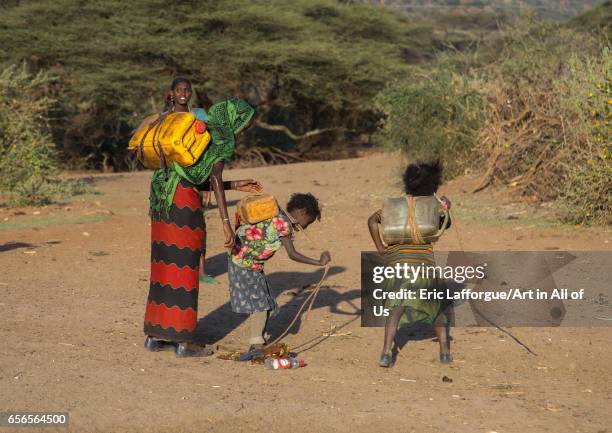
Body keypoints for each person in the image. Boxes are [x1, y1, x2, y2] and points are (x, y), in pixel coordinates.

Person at [144, 77, 261, 357]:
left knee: (163, 267)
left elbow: (196, 178)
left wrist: (237, 185)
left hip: (162, 203)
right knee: (185, 269)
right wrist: (226, 226)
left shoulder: (185, 130)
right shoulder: (218, 135)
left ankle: (156, 334)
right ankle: (184, 342)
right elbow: (214, 181)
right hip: (184, 206)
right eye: (243, 124)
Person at [367, 160, 453, 367]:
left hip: (396, 264)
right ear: (433, 184)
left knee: (395, 308)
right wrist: (447, 207)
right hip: (422, 265)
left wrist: (380, 247)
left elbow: (371, 220)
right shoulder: (434, 207)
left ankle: (386, 352)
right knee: (435, 309)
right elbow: (446, 224)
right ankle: (444, 350)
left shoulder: (394, 207)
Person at [228, 193, 331, 352]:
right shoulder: (283, 224)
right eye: (308, 222)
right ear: (302, 213)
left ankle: (258, 342)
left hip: (248, 262)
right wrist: (318, 262)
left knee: (266, 302)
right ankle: (256, 346)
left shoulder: (280, 215)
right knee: (260, 305)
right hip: (245, 263)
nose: (306, 227)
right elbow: (292, 254)